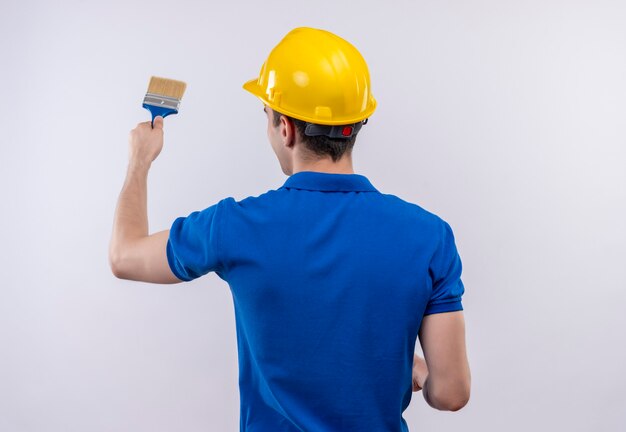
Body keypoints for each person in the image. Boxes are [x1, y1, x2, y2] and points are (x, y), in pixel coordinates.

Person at [109, 27, 471, 432]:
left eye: (267, 116)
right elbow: (452, 393)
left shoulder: (233, 226)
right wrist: (419, 371)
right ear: (356, 123)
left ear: (286, 129)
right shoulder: (429, 236)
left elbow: (125, 256)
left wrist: (140, 160)